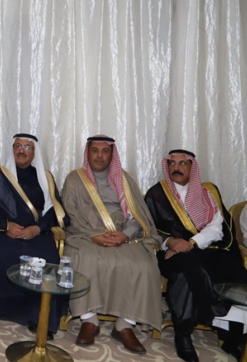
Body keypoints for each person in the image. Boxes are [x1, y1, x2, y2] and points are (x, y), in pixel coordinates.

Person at [145, 149, 247, 362]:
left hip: (205, 248)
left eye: (183, 163)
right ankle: (183, 334)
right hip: (171, 252)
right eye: (172, 163)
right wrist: (170, 241)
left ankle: (233, 336)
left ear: (193, 167)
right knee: (185, 274)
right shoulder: (156, 194)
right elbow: (147, 228)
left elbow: (217, 228)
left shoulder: (207, 193)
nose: (176, 168)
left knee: (235, 271)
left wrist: (193, 242)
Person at [61, 135, 162, 354]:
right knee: (83, 260)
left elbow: (138, 215)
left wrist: (125, 235)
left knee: (144, 266)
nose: (99, 156)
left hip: (122, 235)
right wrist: (93, 235)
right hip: (85, 235)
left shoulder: (125, 180)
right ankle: (89, 319)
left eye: (105, 151)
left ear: (112, 154)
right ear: (88, 153)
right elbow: (70, 215)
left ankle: (125, 325)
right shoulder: (74, 179)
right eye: (94, 150)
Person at [0, 134, 69, 336]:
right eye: (17, 146)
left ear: (34, 153)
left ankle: (39, 317)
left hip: (34, 232)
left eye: (27, 147)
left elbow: (56, 211)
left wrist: (37, 229)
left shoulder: (45, 177)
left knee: (48, 257)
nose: (21, 151)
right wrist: (5, 225)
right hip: (0, 231)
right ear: (12, 149)